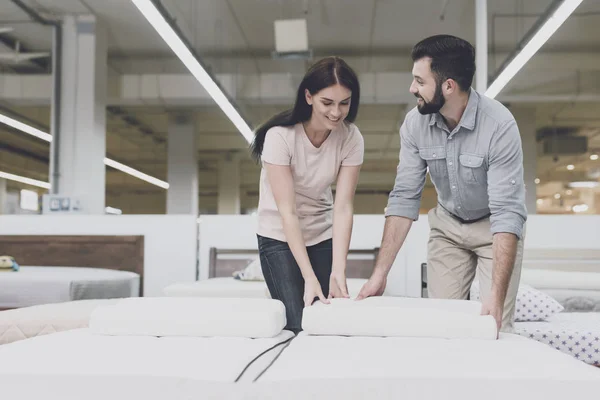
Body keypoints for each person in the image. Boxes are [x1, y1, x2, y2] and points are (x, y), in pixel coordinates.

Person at [357, 35, 527, 333]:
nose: (412, 89)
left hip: (493, 229)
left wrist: (496, 299)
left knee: (493, 326)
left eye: (420, 82)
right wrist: (380, 274)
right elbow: (404, 198)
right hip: (448, 227)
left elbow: (507, 213)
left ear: (448, 86)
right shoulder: (415, 124)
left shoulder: (499, 126)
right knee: (444, 327)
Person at [250, 56, 364, 333]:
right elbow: (287, 212)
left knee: (325, 319)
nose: (336, 113)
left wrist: (339, 270)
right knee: (297, 321)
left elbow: (343, 208)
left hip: (320, 231)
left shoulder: (351, 138)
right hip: (278, 232)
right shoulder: (280, 137)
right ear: (309, 97)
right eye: (327, 102)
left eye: (344, 103)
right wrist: (309, 276)